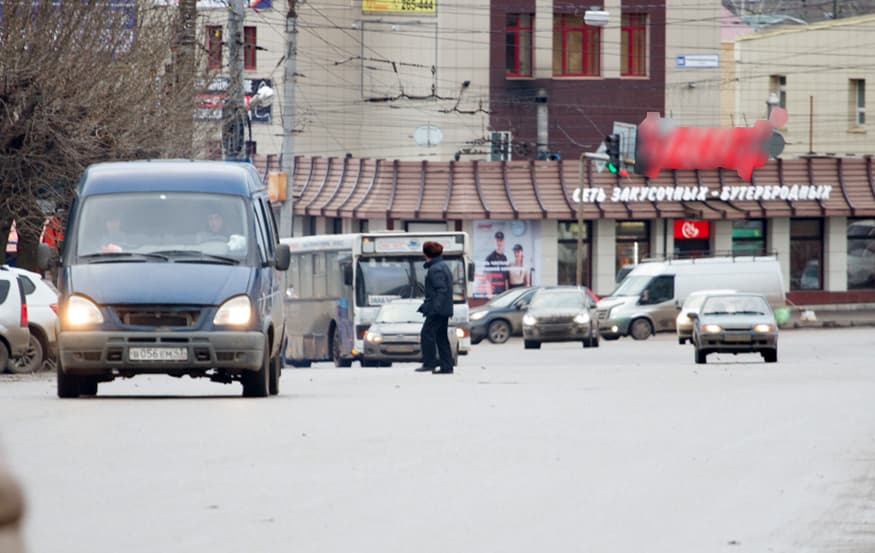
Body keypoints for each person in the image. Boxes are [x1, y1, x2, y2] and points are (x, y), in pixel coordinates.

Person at [416, 241, 454, 374]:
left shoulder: (435, 269)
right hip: (445, 309)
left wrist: (435, 309)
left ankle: (429, 363)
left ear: (425, 254)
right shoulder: (443, 266)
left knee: (426, 334)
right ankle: (447, 366)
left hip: (437, 309)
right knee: (441, 336)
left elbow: (441, 290)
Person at [485, 230, 509, 295]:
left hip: (503, 292)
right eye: (497, 240)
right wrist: (489, 293)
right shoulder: (489, 258)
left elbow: (506, 278)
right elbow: (487, 277)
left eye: (501, 241)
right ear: (494, 242)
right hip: (493, 292)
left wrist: (507, 292)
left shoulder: (504, 258)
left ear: (503, 242)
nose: (499, 243)